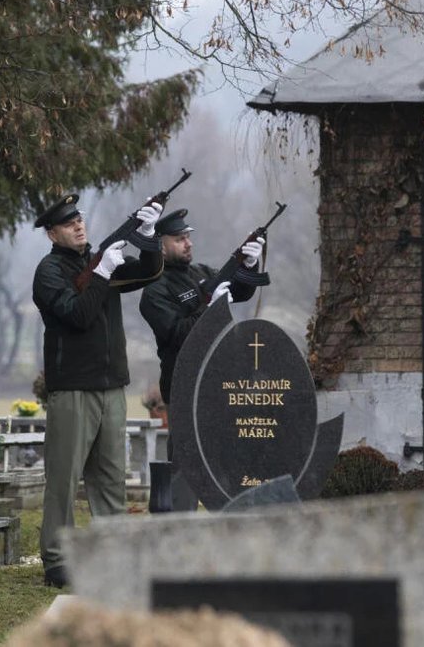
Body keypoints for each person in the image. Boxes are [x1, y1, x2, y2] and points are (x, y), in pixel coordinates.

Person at [32, 193, 163, 588]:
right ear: (53, 234)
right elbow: (78, 315)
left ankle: (112, 555)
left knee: (110, 478)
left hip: (110, 386)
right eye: (68, 223)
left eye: (80, 219)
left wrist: (148, 236)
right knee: (64, 478)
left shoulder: (98, 261)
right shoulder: (49, 271)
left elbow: (148, 273)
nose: (78, 225)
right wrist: (103, 271)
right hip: (73, 387)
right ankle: (57, 559)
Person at [139, 208, 267, 507]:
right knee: (186, 466)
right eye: (179, 239)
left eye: (188, 237)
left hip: (220, 380)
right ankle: (182, 534)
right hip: (185, 385)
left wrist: (249, 263)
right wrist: (209, 311)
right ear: (161, 244)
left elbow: (240, 291)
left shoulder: (203, 273)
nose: (188, 243)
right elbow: (176, 334)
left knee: (227, 461)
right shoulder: (155, 291)